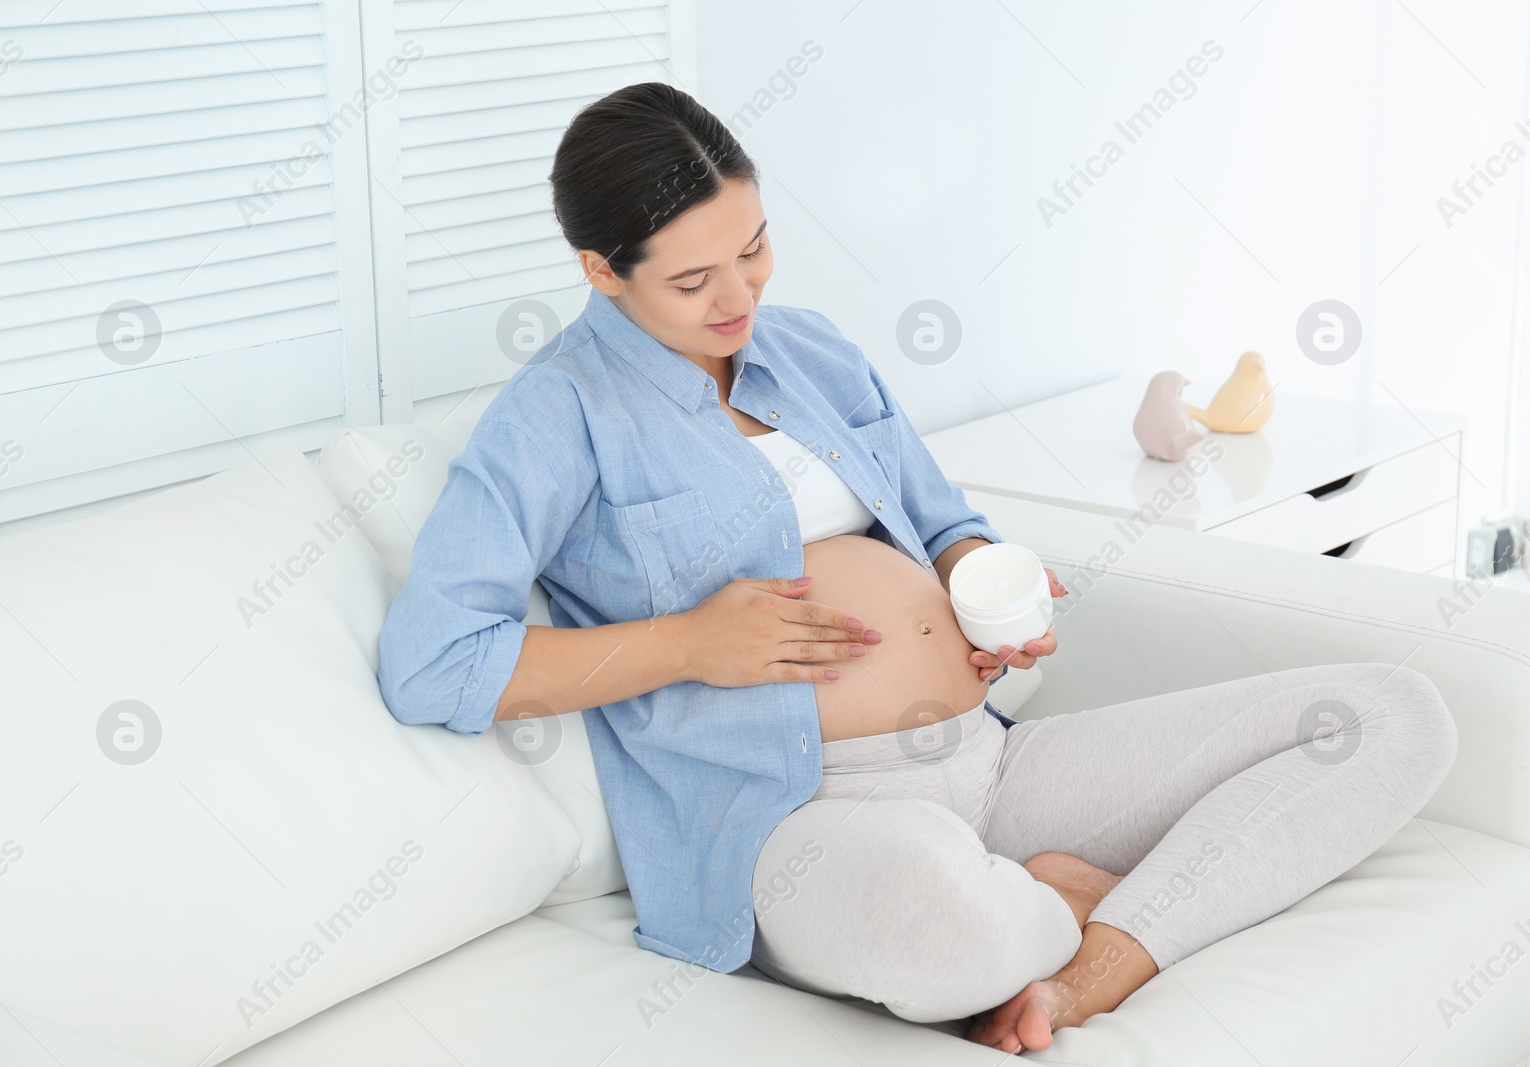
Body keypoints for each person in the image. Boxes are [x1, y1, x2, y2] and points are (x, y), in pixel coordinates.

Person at [376, 82, 1459, 1053]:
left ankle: (1093, 952)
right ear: (601, 271)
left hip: (984, 763)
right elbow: (434, 663)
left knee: (1388, 712)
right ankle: (1058, 899)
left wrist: (984, 583)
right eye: (694, 278)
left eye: (753, 247)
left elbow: (946, 521)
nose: (738, 296)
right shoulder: (553, 418)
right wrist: (690, 642)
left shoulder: (808, 349)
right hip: (796, 823)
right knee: (934, 920)